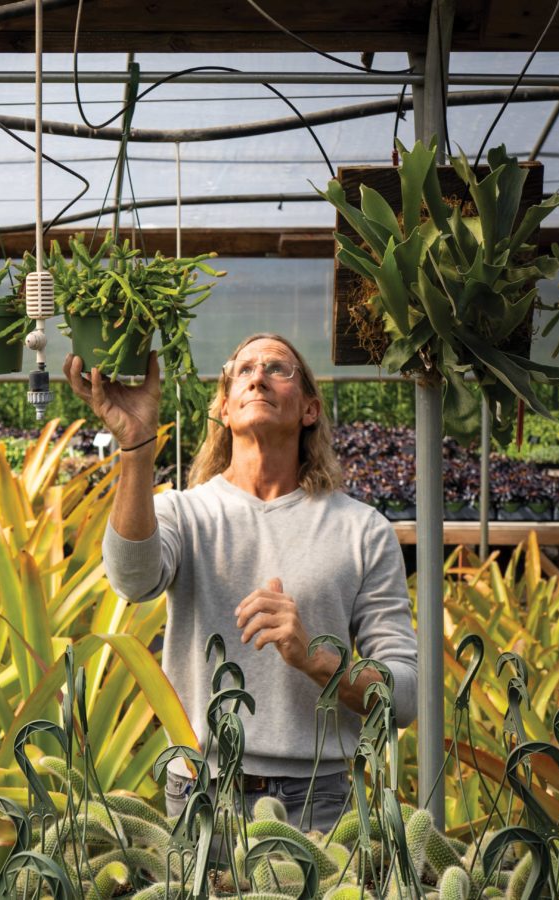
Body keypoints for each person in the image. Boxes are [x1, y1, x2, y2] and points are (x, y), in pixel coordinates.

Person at [63, 333, 417, 833]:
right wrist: (136, 449)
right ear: (225, 410)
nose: (258, 376)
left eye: (278, 368)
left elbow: (404, 696)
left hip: (319, 799)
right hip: (200, 794)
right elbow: (132, 580)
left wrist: (316, 659)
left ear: (310, 409)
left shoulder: (362, 530)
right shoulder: (183, 514)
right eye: (243, 369)